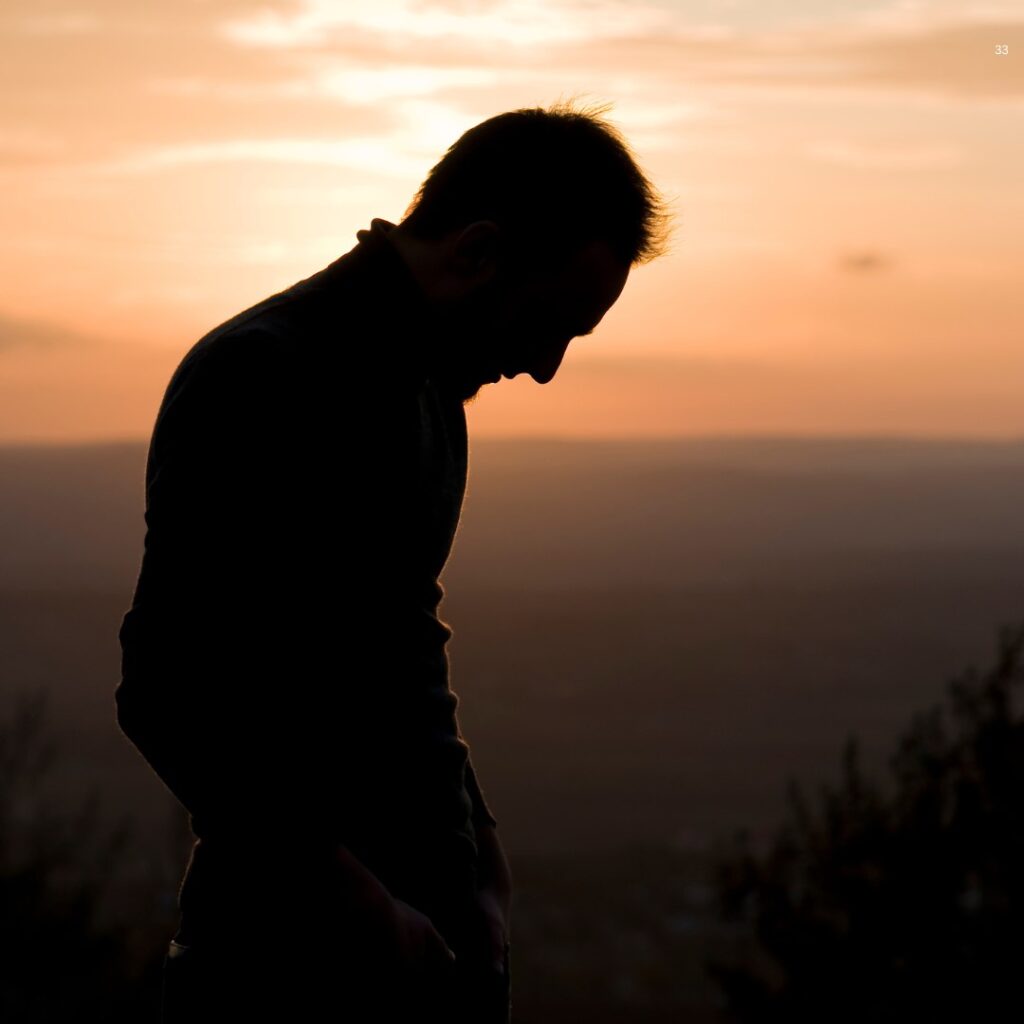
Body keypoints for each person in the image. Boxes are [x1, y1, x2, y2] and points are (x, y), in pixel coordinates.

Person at [115, 97, 672, 1022]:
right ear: (477, 251)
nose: (544, 368)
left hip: (424, 954)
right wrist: (359, 905)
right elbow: (167, 689)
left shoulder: (431, 398)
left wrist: (485, 863)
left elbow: (401, 647)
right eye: (546, 323)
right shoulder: (262, 374)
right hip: (286, 971)